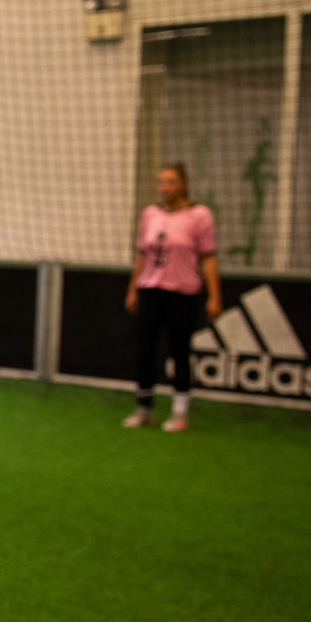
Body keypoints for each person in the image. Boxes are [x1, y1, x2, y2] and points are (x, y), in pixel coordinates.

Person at [122, 162, 222, 432]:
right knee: (145, 350)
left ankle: (180, 413)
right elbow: (143, 255)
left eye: (171, 182)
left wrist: (214, 297)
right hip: (150, 290)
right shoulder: (150, 214)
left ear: (184, 185)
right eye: (161, 182)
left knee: (179, 352)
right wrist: (133, 289)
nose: (165, 187)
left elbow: (209, 259)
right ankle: (144, 409)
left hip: (183, 293)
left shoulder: (200, 216)